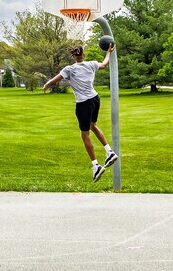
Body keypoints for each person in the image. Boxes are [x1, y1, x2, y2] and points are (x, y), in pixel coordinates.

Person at [43, 44, 118, 182]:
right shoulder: (91, 64)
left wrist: (46, 85)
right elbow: (104, 64)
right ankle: (109, 151)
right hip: (95, 99)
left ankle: (96, 166)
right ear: (83, 54)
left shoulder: (69, 69)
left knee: (85, 134)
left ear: (73, 56)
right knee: (92, 125)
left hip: (83, 103)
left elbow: (55, 79)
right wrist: (108, 52)